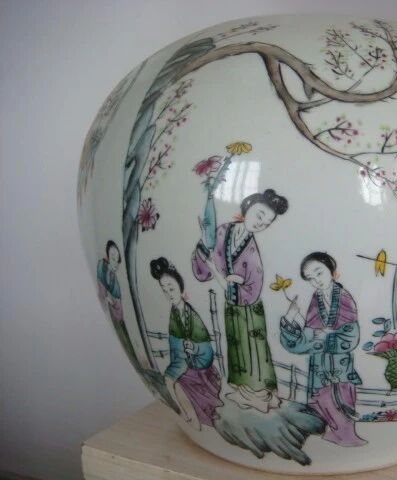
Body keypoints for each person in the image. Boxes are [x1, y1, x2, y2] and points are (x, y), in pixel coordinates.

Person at [192, 189, 288, 413]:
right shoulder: (224, 231)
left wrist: (227, 279)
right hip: (232, 306)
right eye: (260, 215)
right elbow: (208, 258)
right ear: (248, 206)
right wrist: (203, 246)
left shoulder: (251, 250)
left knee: (252, 350)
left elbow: (252, 287)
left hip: (248, 309)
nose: (260, 223)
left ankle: (259, 394)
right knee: (236, 347)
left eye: (266, 222)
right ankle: (244, 392)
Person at [280, 252, 367, 447]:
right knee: (320, 401)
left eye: (319, 273)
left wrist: (325, 337)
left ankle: (344, 436)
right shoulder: (316, 298)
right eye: (310, 278)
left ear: (333, 272)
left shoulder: (344, 298)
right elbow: (308, 336)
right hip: (319, 366)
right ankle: (325, 435)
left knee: (341, 400)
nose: (316, 281)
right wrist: (289, 319)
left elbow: (351, 336)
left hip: (339, 366)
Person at [150, 257, 223, 427]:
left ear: (181, 288)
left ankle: (191, 416)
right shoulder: (174, 315)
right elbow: (175, 348)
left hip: (198, 365)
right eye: (164, 290)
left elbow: (206, 351)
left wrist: (195, 348)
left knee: (174, 382)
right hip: (182, 362)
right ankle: (184, 414)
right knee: (169, 380)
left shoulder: (192, 317)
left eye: (171, 288)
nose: (169, 294)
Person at [96, 240, 140, 370]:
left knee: (124, 332)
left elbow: (117, 300)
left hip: (117, 312)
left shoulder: (114, 279)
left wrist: (113, 301)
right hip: (111, 309)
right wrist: (107, 299)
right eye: (113, 257)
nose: (115, 261)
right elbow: (102, 290)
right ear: (107, 256)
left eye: (117, 259)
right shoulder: (102, 267)